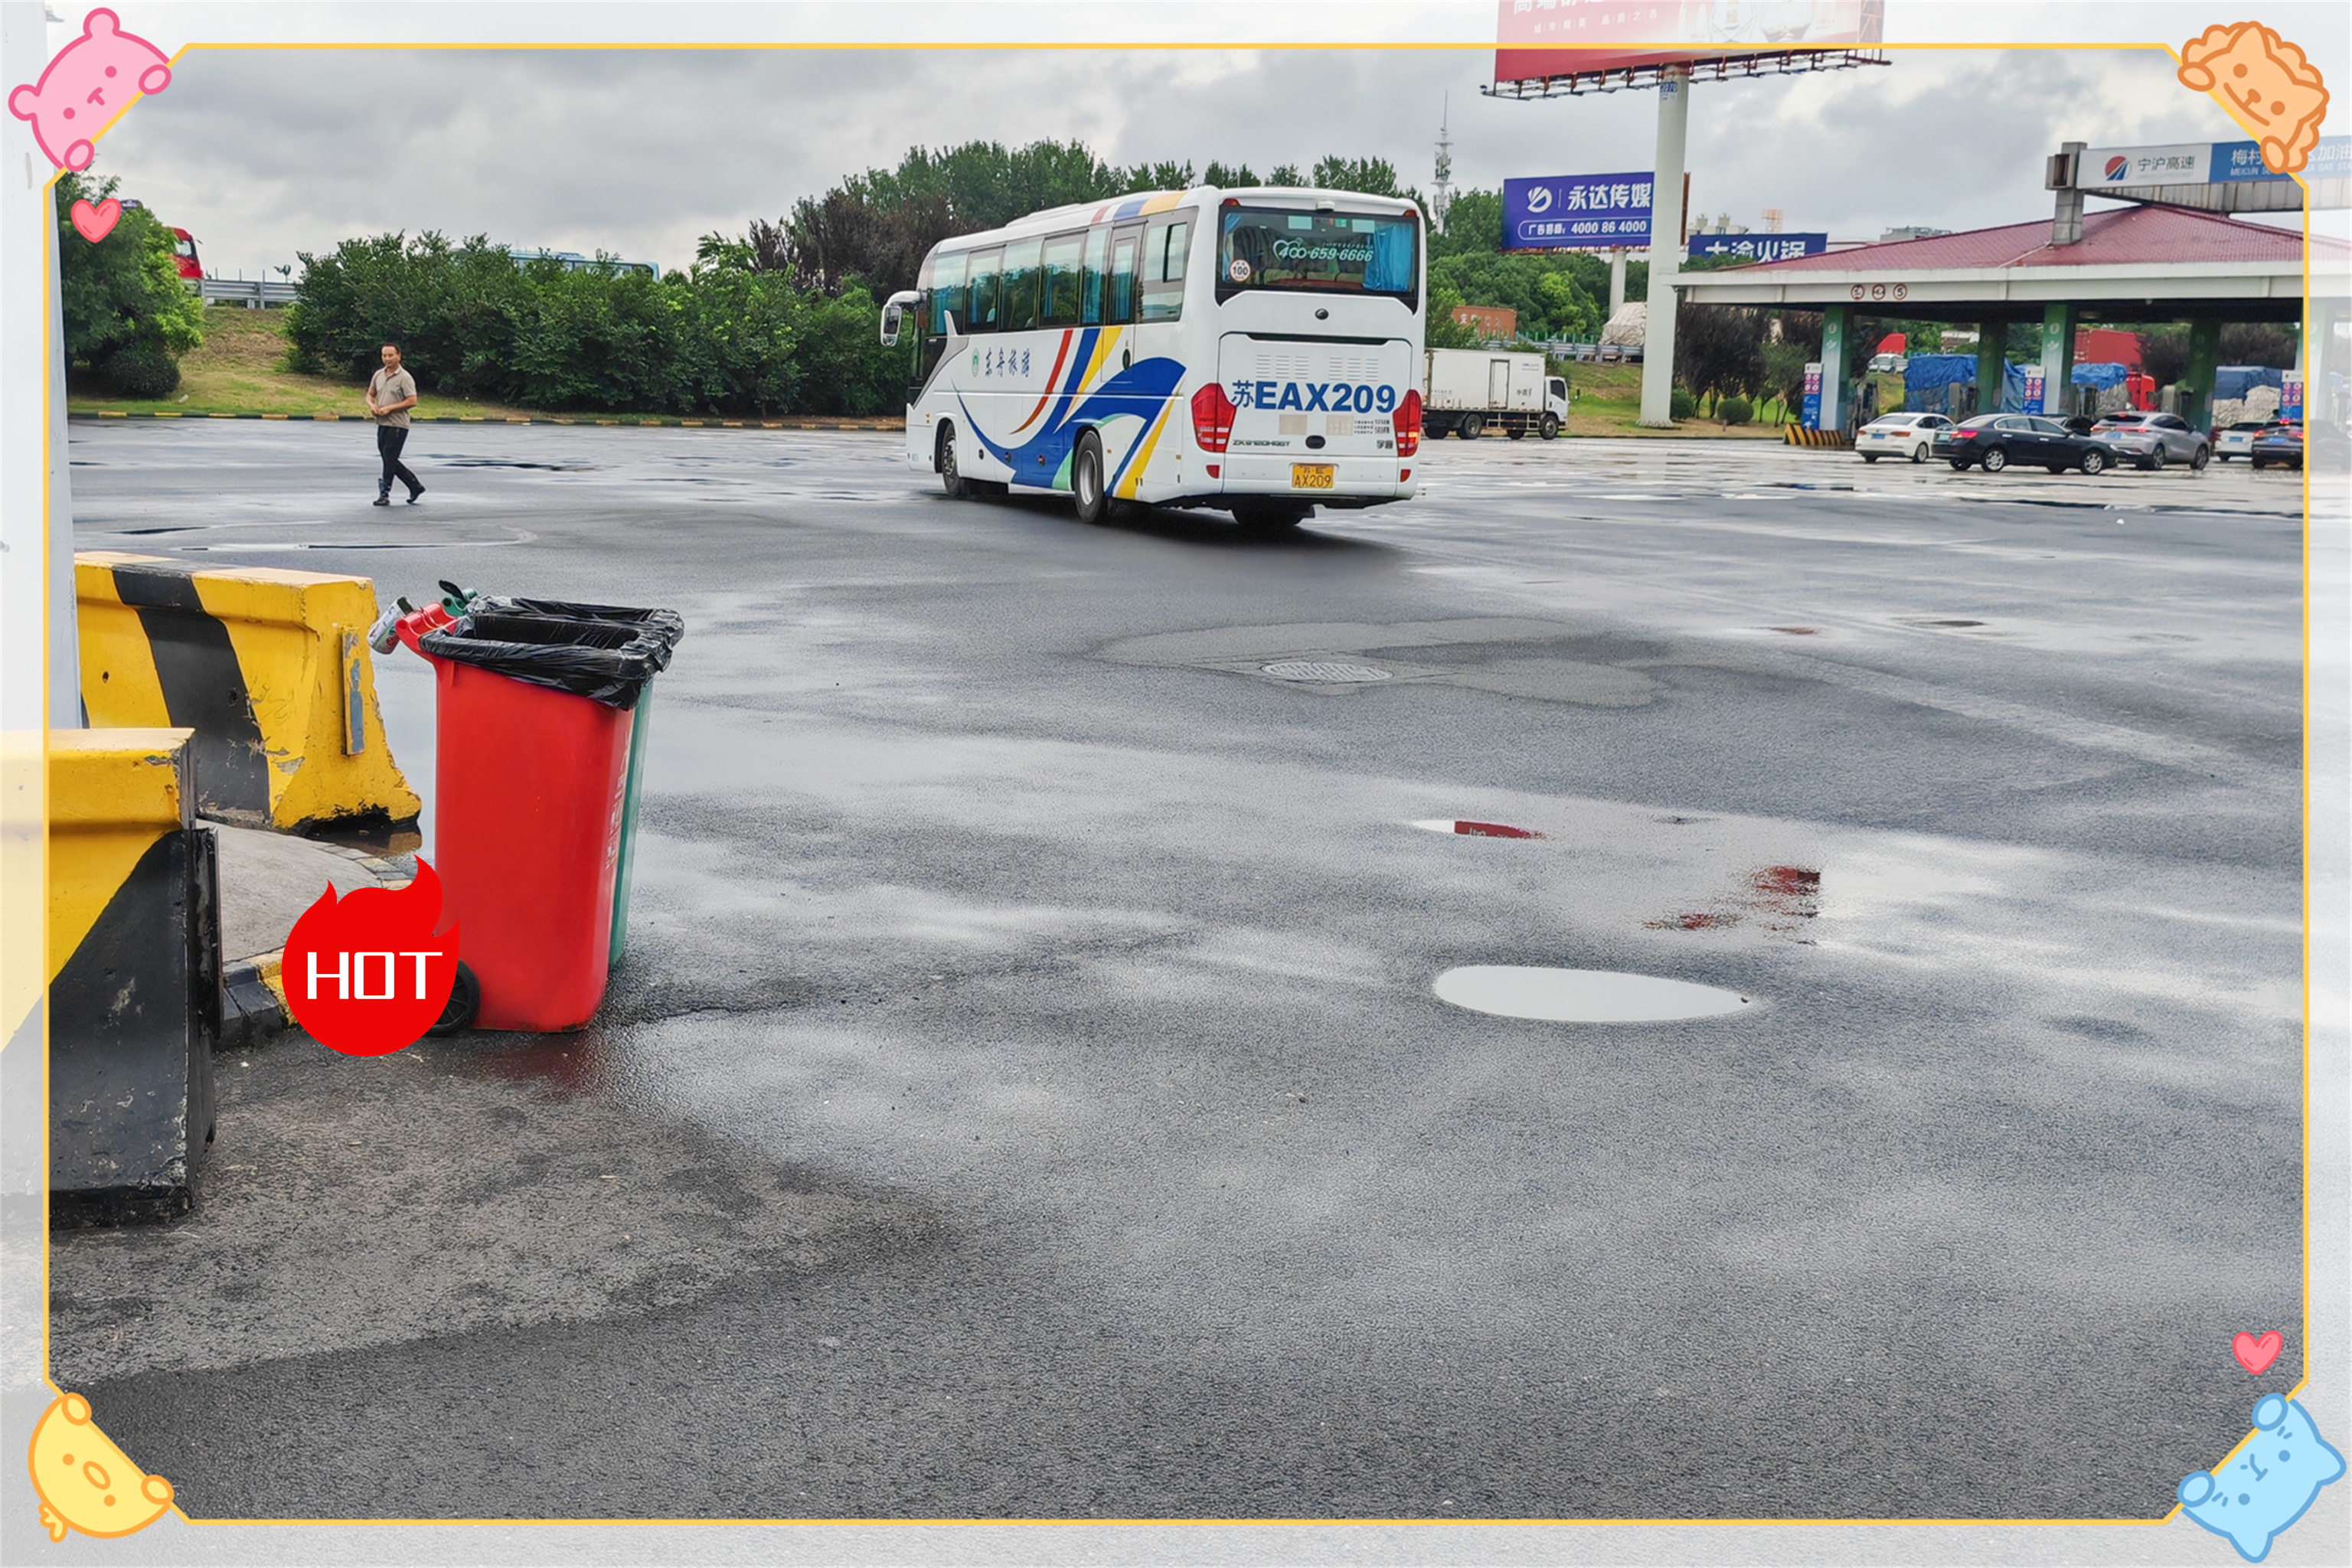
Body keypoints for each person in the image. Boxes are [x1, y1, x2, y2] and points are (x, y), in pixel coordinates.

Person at [365, 341, 424, 505]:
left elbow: (412, 401)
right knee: (388, 458)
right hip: (382, 422)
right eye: (384, 355)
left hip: (398, 425)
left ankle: (384, 494)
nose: (387, 358)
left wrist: (391, 408)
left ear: (399, 356)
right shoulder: (379, 375)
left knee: (390, 457)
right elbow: (370, 395)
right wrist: (373, 406)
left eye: (391, 355)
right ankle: (414, 486)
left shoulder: (405, 377)